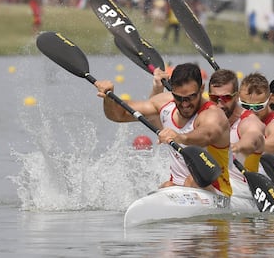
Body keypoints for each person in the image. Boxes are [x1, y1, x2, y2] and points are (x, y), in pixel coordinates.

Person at [94, 63, 232, 196]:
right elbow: (119, 115)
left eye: (190, 97)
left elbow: (207, 134)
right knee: (167, 186)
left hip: (215, 190)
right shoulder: (164, 103)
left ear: (201, 90)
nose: (185, 104)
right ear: (172, 91)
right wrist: (108, 98)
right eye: (179, 97)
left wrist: (181, 137)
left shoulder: (213, 114)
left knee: (191, 181)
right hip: (177, 188)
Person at [208, 69, 265, 201]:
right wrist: (157, 87)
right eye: (215, 98)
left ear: (237, 96)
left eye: (226, 98)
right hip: (214, 183)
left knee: (193, 181)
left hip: (241, 192)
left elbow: (253, 137)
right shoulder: (206, 114)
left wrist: (237, 146)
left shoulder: (249, 122)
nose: (220, 104)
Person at [238, 73, 274, 157]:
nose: (251, 112)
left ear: (270, 99)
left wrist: (253, 145)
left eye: (258, 107)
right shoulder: (232, 117)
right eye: (246, 106)